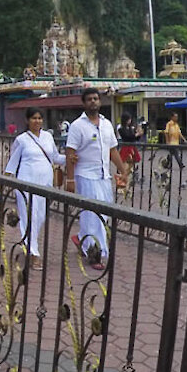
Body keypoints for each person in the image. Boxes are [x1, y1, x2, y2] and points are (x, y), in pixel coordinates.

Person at [64, 88, 131, 267]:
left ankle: (81, 238)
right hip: (85, 176)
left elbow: (112, 150)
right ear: (84, 103)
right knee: (91, 216)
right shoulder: (78, 126)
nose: (93, 102)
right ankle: (94, 253)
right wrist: (69, 180)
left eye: (95, 99)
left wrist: (123, 170)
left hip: (104, 176)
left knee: (104, 213)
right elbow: (70, 153)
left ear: (100, 102)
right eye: (89, 99)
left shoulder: (107, 124)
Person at [3, 107, 65, 264]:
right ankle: (33, 252)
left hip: (45, 184)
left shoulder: (48, 137)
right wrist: (5, 181)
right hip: (26, 183)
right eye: (34, 118)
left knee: (40, 217)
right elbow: (12, 163)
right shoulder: (21, 140)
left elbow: (55, 158)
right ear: (27, 120)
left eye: (39, 118)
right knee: (28, 216)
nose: (37, 121)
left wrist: (71, 157)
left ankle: (29, 243)